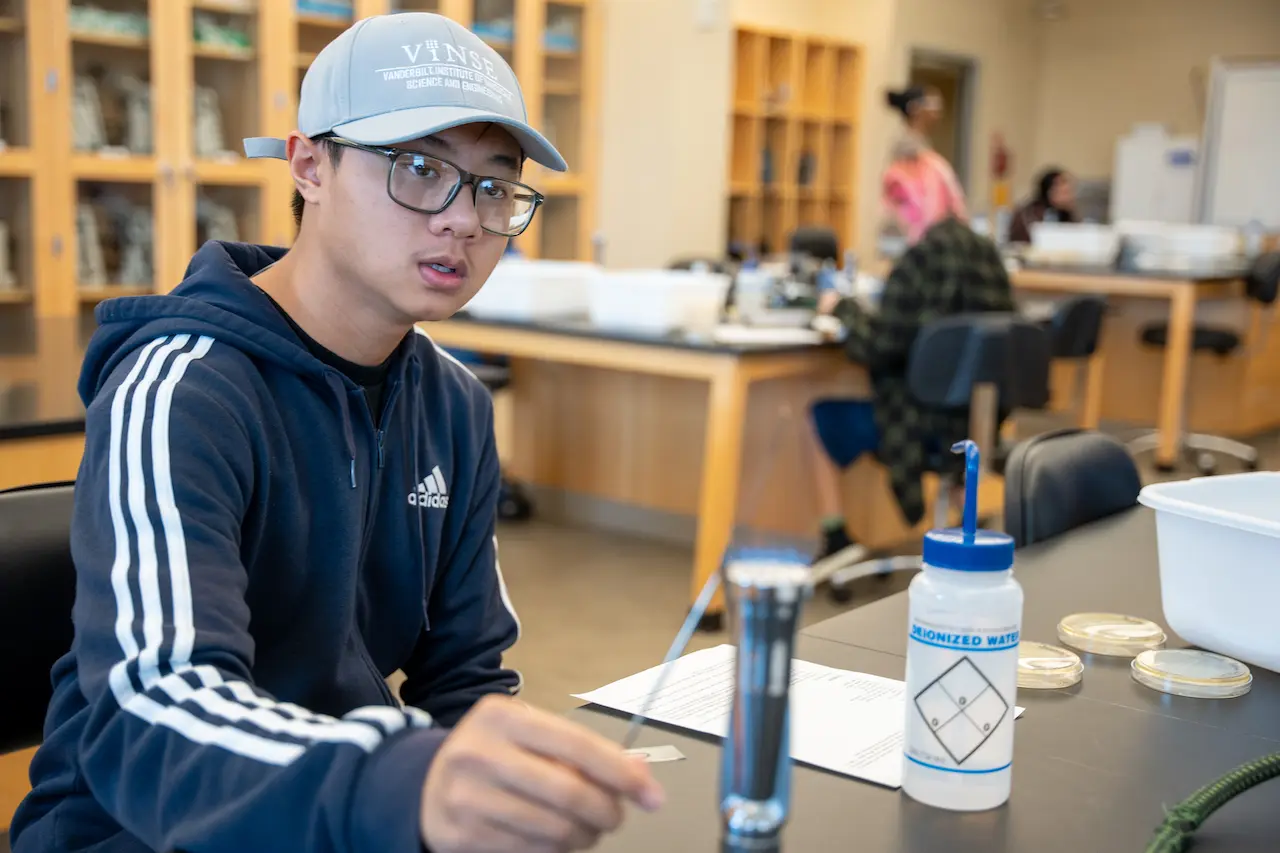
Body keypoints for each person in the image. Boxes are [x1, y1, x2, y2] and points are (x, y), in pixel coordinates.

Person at [11, 13, 663, 853]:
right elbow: (157, 712)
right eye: (419, 169)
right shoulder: (181, 387)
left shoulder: (454, 404)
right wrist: (403, 784)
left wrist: (496, 794)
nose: (463, 219)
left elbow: (466, 676)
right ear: (309, 164)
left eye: (494, 187)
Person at [807, 216, 1014, 573]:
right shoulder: (987, 257)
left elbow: (880, 346)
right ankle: (968, 525)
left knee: (820, 413)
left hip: (915, 428)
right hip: (975, 423)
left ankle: (836, 536)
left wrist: (842, 307)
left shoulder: (919, 262)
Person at [881, 85, 969, 247]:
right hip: (916, 247)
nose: (939, 112)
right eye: (933, 104)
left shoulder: (930, 161)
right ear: (916, 109)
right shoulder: (910, 163)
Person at [1009, 167, 1080, 244]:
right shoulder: (1028, 214)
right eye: (1065, 192)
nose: (1071, 197)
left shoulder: (1066, 214)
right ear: (1050, 192)